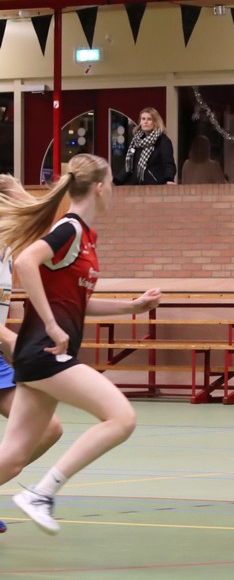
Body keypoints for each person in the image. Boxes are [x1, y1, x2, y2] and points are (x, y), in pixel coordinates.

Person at [0, 154, 162, 535]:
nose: (115, 190)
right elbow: (25, 263)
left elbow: (76, 301)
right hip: (47, 353)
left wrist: (133, 307)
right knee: (121, 418)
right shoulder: (70, 229)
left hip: (38, 355)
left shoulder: (86, 237)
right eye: (113, 183)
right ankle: (42, 494)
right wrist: (51, 325)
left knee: (13, 457)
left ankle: (38, 494)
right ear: (99, 187)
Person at [0, 177, 64, 535]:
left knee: (48, 429)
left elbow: (51, 228)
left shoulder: (9, 253)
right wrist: (19, 345)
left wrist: (16, 189)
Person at [115, 108, 176, 185]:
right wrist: (116, 181)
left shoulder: (163, 141)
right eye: (143, 119)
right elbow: (129, 166)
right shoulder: (136, 141)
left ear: (155, 122)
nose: (145, 122)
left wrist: (169, 179)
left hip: (155, 185)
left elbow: (168, 164)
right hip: (136, 186)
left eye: (149, 119)